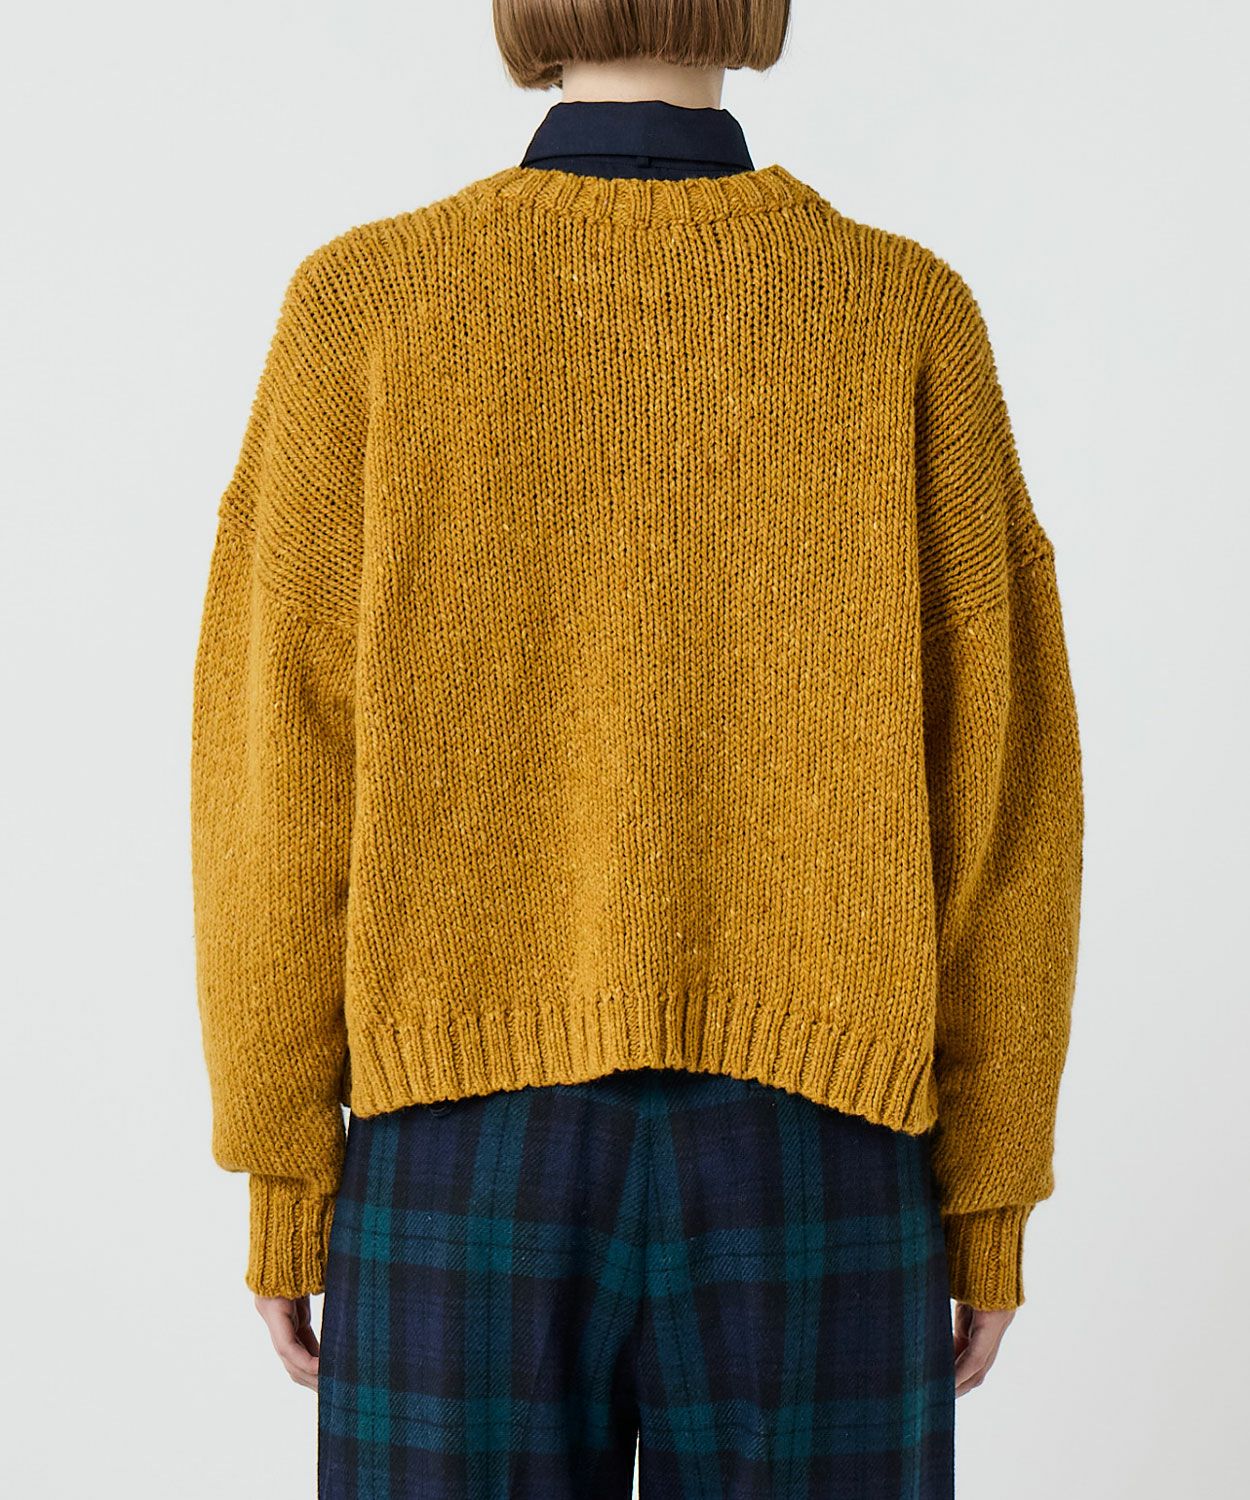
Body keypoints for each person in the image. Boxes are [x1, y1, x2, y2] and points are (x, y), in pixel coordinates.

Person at [189, 2, 1084, 1495]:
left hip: (458, 1146)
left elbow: (275, 769)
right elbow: (1003, 787)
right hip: (819, 1145)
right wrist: (987, 1195)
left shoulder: (367, 305)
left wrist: (286, 1172)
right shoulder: (900, 311)